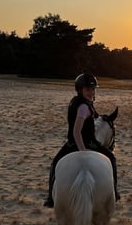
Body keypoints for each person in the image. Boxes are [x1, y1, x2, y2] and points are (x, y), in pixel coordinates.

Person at [43, 73, 119, 207]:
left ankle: (50, 197)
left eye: (93, 89)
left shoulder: (77, 102)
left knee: (55, 164)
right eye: (87, 90)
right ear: (80, 90)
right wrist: (83, 151)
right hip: (87, 143)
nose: (91, 92)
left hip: (70, 143)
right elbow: (76, 131)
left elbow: (94, 117)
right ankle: (114, 191)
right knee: (111, 159)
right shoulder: (84, 107)